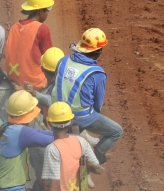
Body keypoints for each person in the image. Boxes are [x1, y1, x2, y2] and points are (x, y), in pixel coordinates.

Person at [51, 28, 123, 165]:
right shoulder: (97, 73)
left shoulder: (63, 60)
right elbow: (97, 105)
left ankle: (81, 142)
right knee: (116, 131)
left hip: (56, 110)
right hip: (80, 117)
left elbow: (55, 84)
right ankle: (96, 157)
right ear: (99, 52)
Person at [6, 0, 54, 91]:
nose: (47, 14)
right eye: (47, 11)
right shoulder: (42, 29)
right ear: (41, 11)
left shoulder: (14, 27)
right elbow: (49, 58)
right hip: (34, 85)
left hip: (14, 82)